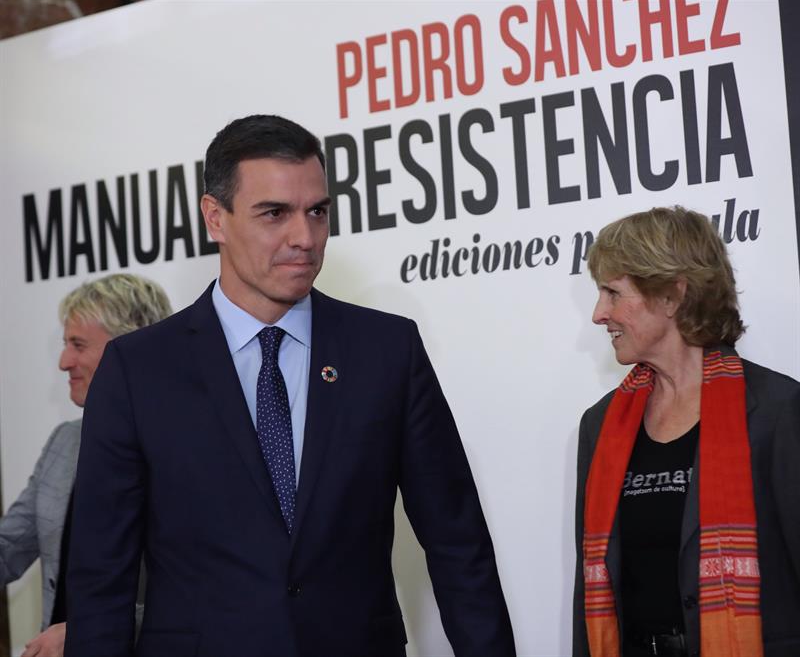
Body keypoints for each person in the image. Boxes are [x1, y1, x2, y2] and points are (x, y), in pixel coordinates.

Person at [64, 114, 515, 657]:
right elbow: (100, 575)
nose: (304, 238)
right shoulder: (137, 369)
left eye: (317, 212)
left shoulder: (387, 352)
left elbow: (456, 541)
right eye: (274, 213)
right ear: (216, 218)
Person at [572, 206, 800, 657]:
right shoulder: (599, 425)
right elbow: (592, 585)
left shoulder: (778, 411)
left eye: (613, 293)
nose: (600, 314)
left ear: (673, 296)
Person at [0, 273, 171, 657]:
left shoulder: (190, 447)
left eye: (77, 345)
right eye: (65, 345)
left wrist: (84, 633)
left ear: (130, 347)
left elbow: (208, 599)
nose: (64, 362)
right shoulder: (65, 441)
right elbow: (9, 545)